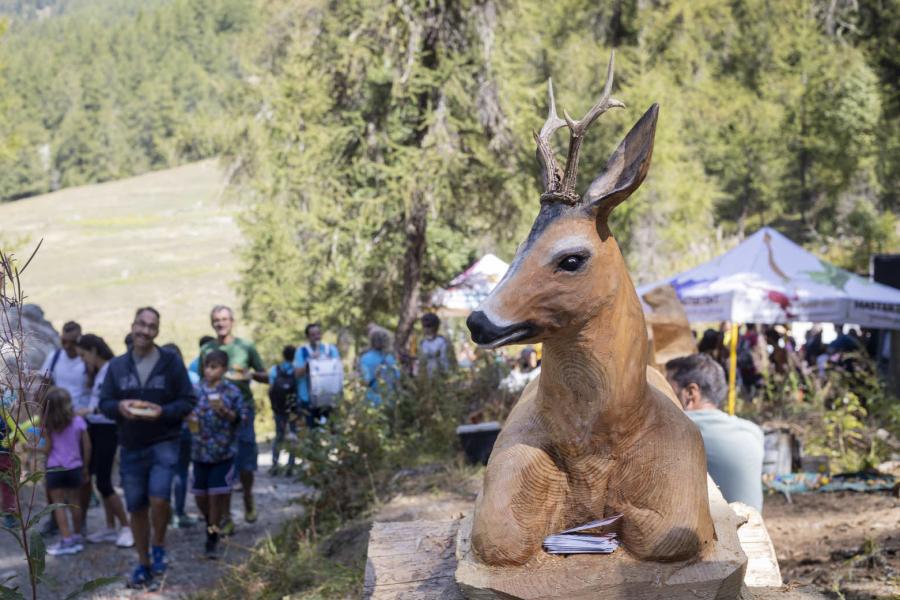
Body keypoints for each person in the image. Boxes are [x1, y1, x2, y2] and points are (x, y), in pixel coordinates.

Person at [99, 307, 196, 589]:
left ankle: (159, 544)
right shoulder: (117, 366)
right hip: (130, 445)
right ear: (132, 326)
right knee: (137, 506)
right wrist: (119, 407)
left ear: (157, 331)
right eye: (141, 324)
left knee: (160, 499)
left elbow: (188, 400)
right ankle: (143, 563)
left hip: (164, 441)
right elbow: (104, 404)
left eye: (152, 326)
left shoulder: (171, 361)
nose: (145, 330)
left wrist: (162, 411)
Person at [665, 353, 764, 511]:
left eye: (667, 391)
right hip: (752, 532)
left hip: (709, 535)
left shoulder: (675, 431)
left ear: (691, 393)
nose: (662, 400)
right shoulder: (752, 431)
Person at [199, 306, 267, 528]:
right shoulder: (207, 348)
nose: (220, 323)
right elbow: (201, 381)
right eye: (216, 320)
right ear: (212, 323)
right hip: (215, 417)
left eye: (224, 319)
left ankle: (248, 497)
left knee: (246, 461)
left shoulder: (245, 346)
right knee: (222, 463)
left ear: (232, 321)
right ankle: (226, 516)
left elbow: (266, 376)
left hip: (242, 411)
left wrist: (252, 374)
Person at [75, 334, 133, 548]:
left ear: (93, 351)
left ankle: (127, 526)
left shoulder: (111, 369)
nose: (83, 361)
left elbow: (113, 402)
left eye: (83, 355)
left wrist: (90, 410)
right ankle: (110, 527)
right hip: (95, 428)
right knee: (98, 478)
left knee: (104, 481)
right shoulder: (98, 372)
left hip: (107, 428)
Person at [191, 350, 247, 559]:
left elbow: (241, 418)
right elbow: (186, 411)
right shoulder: (196, 391)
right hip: (199, 451)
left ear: (223, 369)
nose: (209, 370)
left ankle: (211, 538)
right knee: (200, 496)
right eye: (206, 366)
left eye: (214, 367)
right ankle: (210, 523)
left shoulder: (232, 391)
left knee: (216, 495)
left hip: (223, 452)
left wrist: (225, 411)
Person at [39, 321, 89, 536]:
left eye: (72, 342)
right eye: (64, 341)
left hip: (80, 419)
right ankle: (56, 521)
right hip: (57, 418)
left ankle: (79, 525)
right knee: (57, 486)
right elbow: (44, 382)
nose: (67, 345)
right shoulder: (55, 357)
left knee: (80, 482)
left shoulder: (85, 360)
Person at [43, 387, 90, 556]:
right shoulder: (78, 421)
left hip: (55, 468)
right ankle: (77, 536)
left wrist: (33, 448)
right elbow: (87, 445)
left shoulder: (48, 425)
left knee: (58, 505)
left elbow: (47, 449)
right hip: (74, 467)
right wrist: (85, 466)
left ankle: (67, 540)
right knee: (75, 502)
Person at [161, 343, 198, 530]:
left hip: (163, 432)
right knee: (181, 472)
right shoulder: (191, 378)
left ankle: (165, 513)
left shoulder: (158, 379)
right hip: (184, 430)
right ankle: (179, 513)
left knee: (165, 472)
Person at [293, 322, 342, 428]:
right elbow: (297, 374)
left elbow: (338, 371)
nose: (317, 337)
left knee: (331, 430)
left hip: (329, 398)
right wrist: (309, 361)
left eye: (318, 334)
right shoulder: (301, 352)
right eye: (313, 335)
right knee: (313, 431)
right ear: (307, 337)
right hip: (308, 399)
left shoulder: (331, 349)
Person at [268, 345, 298, 475]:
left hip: (278, 408)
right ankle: (290, 466)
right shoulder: (297, 370)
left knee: (279, 436)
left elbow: (270, 389)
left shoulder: (275, 370)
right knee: (293, 435)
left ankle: (275, 464)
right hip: (293, 408)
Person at [358, 328, 400, 407]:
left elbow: (364, 380)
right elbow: (396, 379)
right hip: (388, 401)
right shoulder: (390, 359)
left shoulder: (365, 358)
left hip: (370, 400)